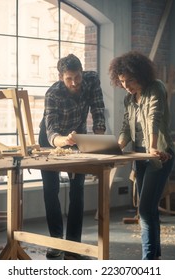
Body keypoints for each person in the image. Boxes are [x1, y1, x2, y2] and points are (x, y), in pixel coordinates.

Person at [39, 53, 106, 260]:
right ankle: (56, 242)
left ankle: (73, 247)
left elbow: (98, 108)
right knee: (51, 190)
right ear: (61, 77)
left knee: (78, 191)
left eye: (77, 77)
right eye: (69, 79)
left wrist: (99, 137)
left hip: (78, 136)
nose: (75, 83)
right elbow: (51, 133)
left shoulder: (91, 79)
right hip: (52, 140)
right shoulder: (53, 94)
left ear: (82, 73)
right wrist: (63, 141)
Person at [108, 51, 175, 260]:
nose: (126, 86)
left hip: (159, 156)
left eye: (130, 80)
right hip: (140, 158)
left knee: (145, 210)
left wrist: (153, 147)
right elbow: (126, 129)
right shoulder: (129, 99)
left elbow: (155, 115)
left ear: (141, 75)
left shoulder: (156, 87)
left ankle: (148, 260)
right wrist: (116, 147)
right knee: (147, 209)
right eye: (122, 82)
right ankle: (154, 257)